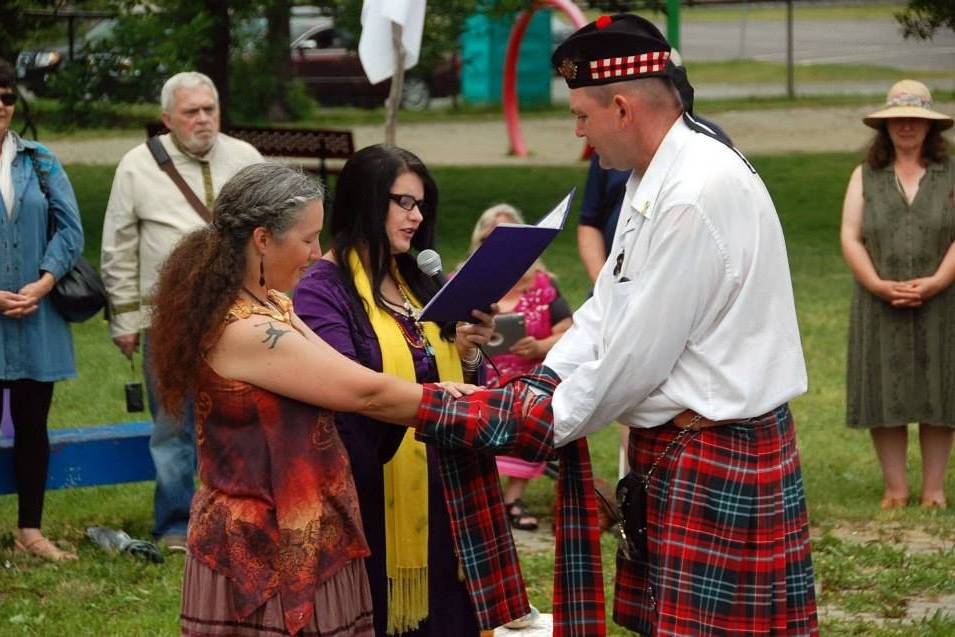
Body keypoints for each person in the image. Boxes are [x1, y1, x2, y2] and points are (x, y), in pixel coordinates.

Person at [546, 14, 817, 635]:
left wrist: (541, 423)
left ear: (622, 107)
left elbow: (637, 357)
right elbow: (608, 305)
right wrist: (543, 378)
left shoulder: (694, 190)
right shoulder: (655, 175)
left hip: (715, 450)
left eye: (581, 117)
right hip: (684, 450)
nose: (580, 136)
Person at [149, 162, 474, 637]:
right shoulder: (244, 330)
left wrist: (441, 389)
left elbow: (351, 375)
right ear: (263, 239)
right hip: (263, 547)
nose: (317, 253)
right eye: (307, 239)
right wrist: (466, 411)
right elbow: (362, 393)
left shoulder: (273, 304)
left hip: (307, 526)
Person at [293, 144, 494, 636]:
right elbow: (345, 389)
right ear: (366, 201)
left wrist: (468, 353)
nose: (416, 216)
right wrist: (431, 397)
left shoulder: (418, 280)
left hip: (443, 489)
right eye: (403, 202)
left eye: (421, 204)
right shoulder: (323, 289)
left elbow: (459, 381)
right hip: (371, 494)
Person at [100, 71, 263, 550]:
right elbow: (118, 245)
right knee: (172, 425)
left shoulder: (246, 158)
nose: (203, 119)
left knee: (241, 418)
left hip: (240, 315)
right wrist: (126, 320)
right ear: (167, 118)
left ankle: (240, 515)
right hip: (167, 320)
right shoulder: (136, 166)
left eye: (209, 109)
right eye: (191, 112)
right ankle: (174, 523)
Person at [839, 79, 955, 510]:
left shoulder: (951, 174)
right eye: (898, 119)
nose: (907, 126)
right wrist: (875, 283)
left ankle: (934, 490)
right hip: (878, 299)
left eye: (916, 120)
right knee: (882, 390)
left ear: (931, 128)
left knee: (940, 390)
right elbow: (850, 236)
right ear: (885, 127)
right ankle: (895, 489)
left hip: (943, 300)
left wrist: (939, 280)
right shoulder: (865, 176)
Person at [0, 57, 83, 561]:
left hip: (36, 315)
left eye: (7, 97)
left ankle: (30, 530)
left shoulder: (40, 160)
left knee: (34, 425)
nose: (0, 107)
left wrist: (46, 280)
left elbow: (70, 228)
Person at [468, 203, 572, 531]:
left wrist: (540, 346)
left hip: (525, 375)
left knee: (534, 402)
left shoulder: (543, 285)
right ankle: (481, 496)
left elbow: (570, 329)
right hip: (478, 372)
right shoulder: (465, 280)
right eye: (491, 238)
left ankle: (513, 497)